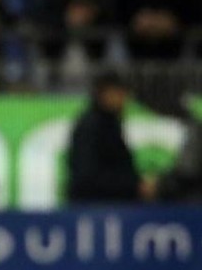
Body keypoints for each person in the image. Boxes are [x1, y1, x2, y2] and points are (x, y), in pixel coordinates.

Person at [66, 71, 156, 203]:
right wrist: (135, 186)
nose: (124, 99)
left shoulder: (110, 124)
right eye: (119, 93)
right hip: (95, 208)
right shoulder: (91, 126)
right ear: (104, 94)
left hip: (109, 206)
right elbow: (87, 176)